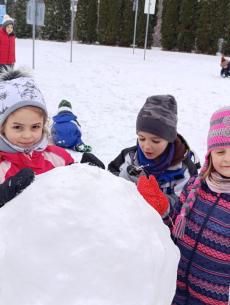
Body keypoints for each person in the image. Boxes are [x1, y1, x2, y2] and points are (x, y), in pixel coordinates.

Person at [137, 106, 230, 304]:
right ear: (210, 153)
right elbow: (174, 231)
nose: (227, 159)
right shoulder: (195, 186)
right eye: (220, 151)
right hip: (175, 286)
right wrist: (162, 211)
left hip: (214, 295)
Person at [0, 67, 105, 207]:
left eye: (35, 127)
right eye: (18, 127)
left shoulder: (58, 157)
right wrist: (3, 194)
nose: (27, 135)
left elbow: (75, 187)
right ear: (2, 127)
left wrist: (89, 173)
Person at [108, 95, 200, 207]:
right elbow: (110, 177)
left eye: (155, 141)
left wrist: (153, 197)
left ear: (169, 139)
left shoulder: (184, 169)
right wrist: (125, 178)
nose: (146, 146)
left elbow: (183, 204)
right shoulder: (129, 156)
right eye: (141, 138)